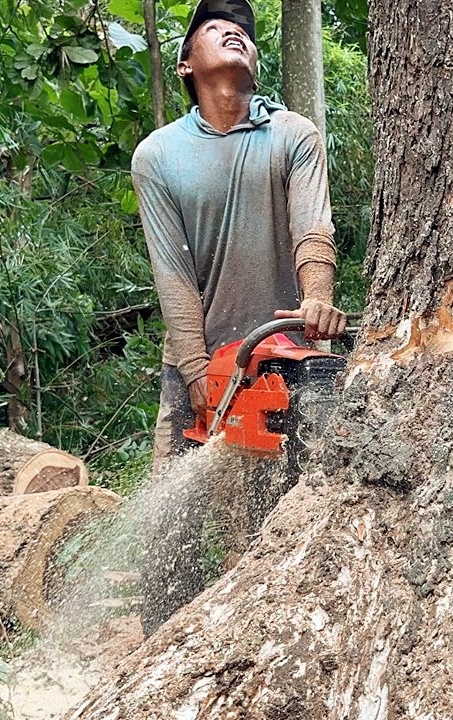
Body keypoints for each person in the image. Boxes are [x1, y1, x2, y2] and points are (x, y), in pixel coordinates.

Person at [130, 0, 345, 632]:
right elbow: (171, 273)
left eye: (246, 31)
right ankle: (158, 650)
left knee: (285, 515)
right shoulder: (158, 156)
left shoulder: (292, 134)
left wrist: (317, 296)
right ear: (186, 61)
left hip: (285, 357)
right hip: (197, 358)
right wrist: (197, 370)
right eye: (214, 27)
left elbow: (313, 229)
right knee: (169, 533)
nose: (235, 32)